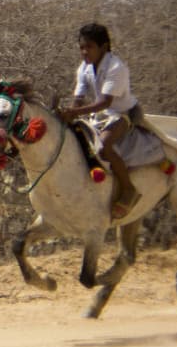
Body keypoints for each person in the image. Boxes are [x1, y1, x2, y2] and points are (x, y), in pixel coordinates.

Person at [57, 23, 143, 219]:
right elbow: (79, 97)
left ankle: (129, 189)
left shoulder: (116, 67)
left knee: (104, 146)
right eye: (81, 47)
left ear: (103, 47)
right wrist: (68, 113)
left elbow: (105, 102)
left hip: (123, 113)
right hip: (100, 115)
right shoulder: (84, 67)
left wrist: (74, 112)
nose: (84, 52)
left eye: (89, 47)